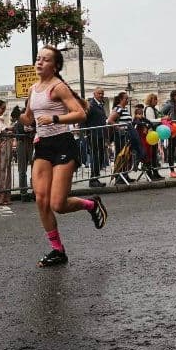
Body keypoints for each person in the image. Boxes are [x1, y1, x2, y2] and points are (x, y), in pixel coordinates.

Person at [20, 46, 107, 267]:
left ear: (55, 65)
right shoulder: (33, 89)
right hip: (43, 147)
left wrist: (55, 119)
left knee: (58, 204)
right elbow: (29, 118)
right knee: (41, 200)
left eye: (45, 60)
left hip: (63, 145)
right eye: (38, 59)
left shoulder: (58, 87)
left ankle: (91, 205)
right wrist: (19, 119)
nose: (39, 62)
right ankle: (58, 250)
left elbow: (80, 113)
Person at [84, 87, 108, 188]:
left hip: (101, 135)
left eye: (102, 93)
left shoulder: (101, 105)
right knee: (95, 157)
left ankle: (96, 178)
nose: (101, 95)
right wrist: (86, 133)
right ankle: (93, 179)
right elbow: (84, 118)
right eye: (99, 93)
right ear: (94, 94)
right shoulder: (91, 105)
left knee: (100, 157)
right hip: (93, 135)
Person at [143, 93, 164, 180]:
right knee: (151, 154)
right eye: (155, 99)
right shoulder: (148, 109)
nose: (156, 101)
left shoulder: (154, 109)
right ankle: (150, 173)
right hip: (150, 133)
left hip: (154, 133)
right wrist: (161, 120)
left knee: (154, 154)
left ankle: (155, 172)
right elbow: (150, 120)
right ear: (150, 100)